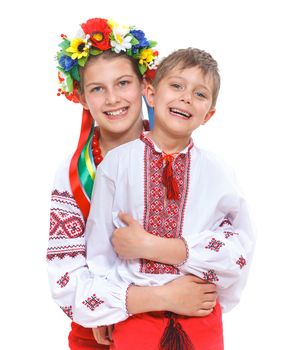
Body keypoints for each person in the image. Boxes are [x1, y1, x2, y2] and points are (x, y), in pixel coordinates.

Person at [47, 19, 218, 350]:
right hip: (99, 327)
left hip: (178, 322)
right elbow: (65, 280)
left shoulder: (181, 155)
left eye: (123, 83)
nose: (113, 98)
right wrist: (141, 299)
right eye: (97, 88)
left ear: (145, 85)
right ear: (81, 97)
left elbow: (216, 245)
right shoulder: (74, 175)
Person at [82, 47, 255, 349]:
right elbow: (99, 244)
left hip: (200, 311)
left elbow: (239, 248)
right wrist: (104, 310)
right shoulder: (117, 164)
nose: (186, 97)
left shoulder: (218, 172)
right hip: (135, 313)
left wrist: (161, 249)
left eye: (200, 94)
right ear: (150, 93)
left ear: (208, 114)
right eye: (176, 86)